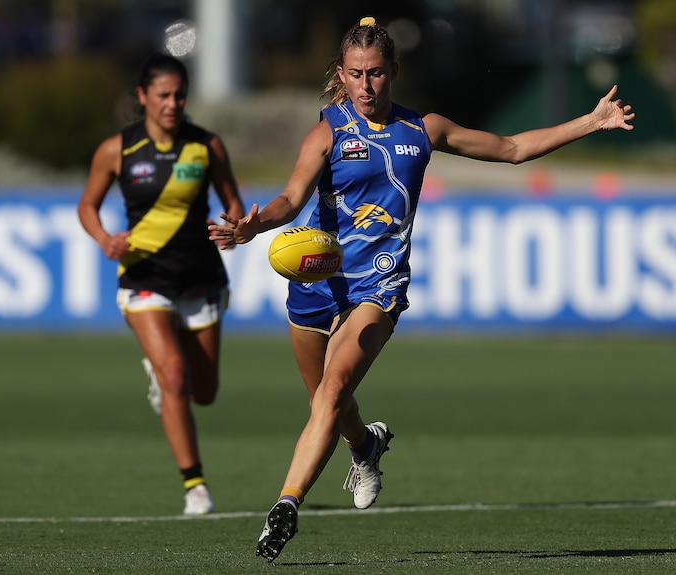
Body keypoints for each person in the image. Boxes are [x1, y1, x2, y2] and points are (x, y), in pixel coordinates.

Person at [209, 16, 634, 561]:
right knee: (326, 402)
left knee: (334, 391)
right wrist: (255, 225)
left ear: (394, 73)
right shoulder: (327, 131)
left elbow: (510, 148)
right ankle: (365, 445)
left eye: (378, 73)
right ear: (342, 74)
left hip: (378, 286)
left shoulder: (423, 130)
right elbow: (291, 200)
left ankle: (286, 506)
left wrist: (591, 121)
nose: (367, 85)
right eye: (357, 74)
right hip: (316, 284)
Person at [78, 53, 245, 515]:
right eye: (163, 95)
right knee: (173, 374)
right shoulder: (117, 150)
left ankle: (163, 377)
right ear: (142, 97)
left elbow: (231, 196)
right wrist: (105, 239)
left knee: (204, 391)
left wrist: (233, 224)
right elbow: (87, 206)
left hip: (201, 276)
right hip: (144, 275)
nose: (173, 104)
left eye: (180, 95)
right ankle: (195, 486)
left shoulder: (206, 145)